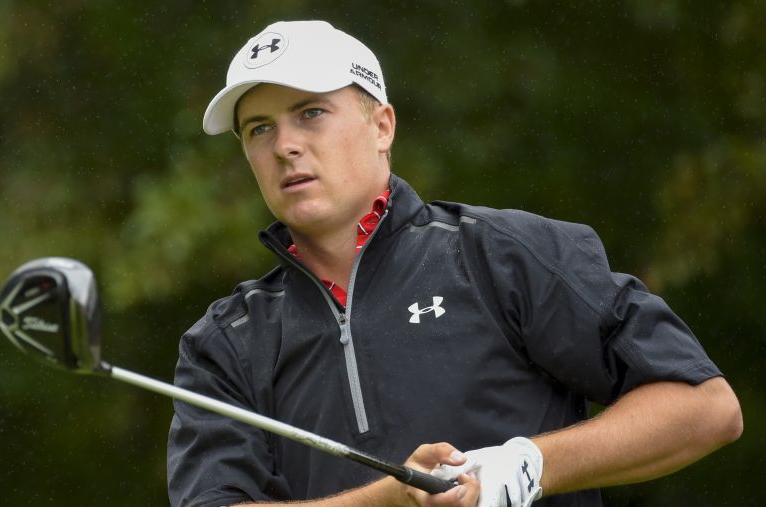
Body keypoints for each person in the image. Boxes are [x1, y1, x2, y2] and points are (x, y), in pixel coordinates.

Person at [167, 20, 743, 507]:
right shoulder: (227, 341)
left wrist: (529, 465)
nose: (285, 144)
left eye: (310, 113)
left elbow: (705, 406)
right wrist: (394, 496)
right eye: (259, 128)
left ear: (382, 126)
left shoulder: (500, 254)